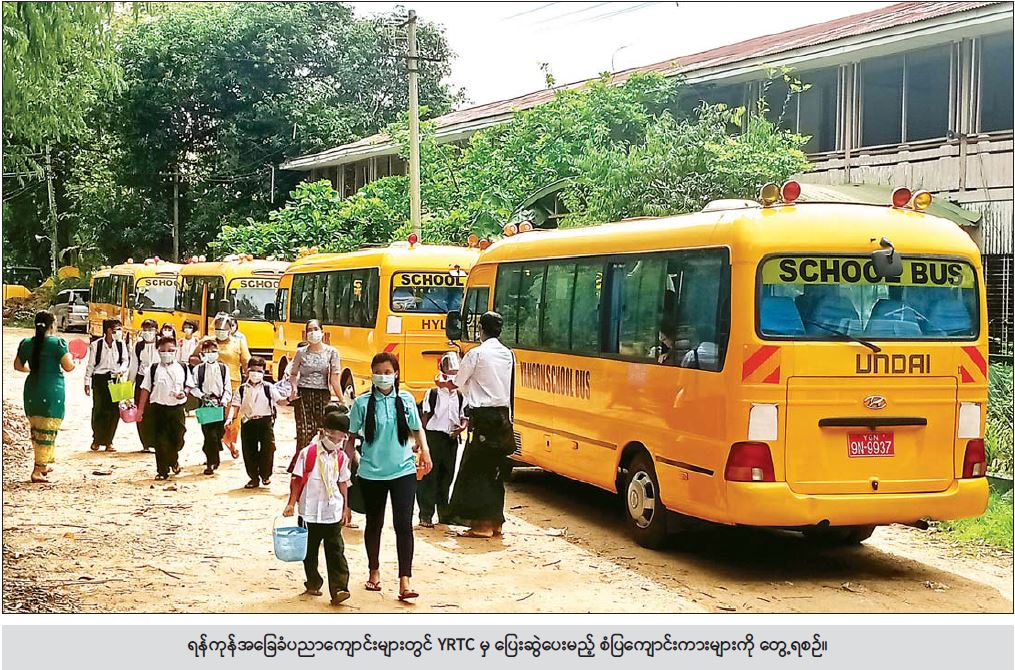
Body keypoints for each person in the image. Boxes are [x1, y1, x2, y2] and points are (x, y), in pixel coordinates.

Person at [348, 352, 432, 602]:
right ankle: (373, 571)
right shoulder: (361, 403)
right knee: (374, 523)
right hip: (371, 473)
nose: (383, 377)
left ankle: (405, 580)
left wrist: (425, 451)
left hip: (403, 471)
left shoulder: (406, 400)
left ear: (396, 374)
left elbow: (417, 429)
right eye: (378, 373)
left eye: (387, 372)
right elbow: (350, 439)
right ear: (372, 374)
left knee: (403, 524)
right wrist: (350, 464)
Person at [446, 311, 515, 539]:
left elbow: (458, 382)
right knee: (495, 470)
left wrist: (466, 390)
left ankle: (481, 525)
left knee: (476, 470)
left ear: (480, 330)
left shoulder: (476, 354)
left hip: (483, 418)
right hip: (503, 418)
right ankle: (496, 522)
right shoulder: (508, 354)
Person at [283, 410, 353, 607]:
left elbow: (343, 483)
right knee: (309, 552)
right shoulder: (308, 453)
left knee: (336, 551)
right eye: (333, 435)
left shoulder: (341, 458)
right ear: (323, 432)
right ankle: (313, 581)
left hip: (332, 512)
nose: (336, 440)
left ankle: (339, 588)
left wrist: (346, 508)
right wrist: (291, 503)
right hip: (309, 512)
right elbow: (297, 480)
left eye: (341, 437)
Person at [14, 311, 75, 483]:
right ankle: (38, 469)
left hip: (33, 388)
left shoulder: (26, 343)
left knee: (37, 429)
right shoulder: (57, 344)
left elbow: (18, 365)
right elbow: (68, 366)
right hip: (51, 389)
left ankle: (43, 463)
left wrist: (33, 370)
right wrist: (73, 359)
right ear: (52, 325)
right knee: (47, 429)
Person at [416, 353, 466, 528]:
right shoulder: (433, 393)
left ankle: (444, 514)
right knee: (429, 477)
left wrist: (461, 428)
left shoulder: (460, 396)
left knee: (447, 477)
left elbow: (464, 416)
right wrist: (420, 442)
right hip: (433, 438)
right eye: (449, 370)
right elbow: (425, 416)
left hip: (450, 439)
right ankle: (426, 514)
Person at [137, 336, 191, 481]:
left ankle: (173, 460)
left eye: (171, 350)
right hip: (158, 409)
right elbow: (145, 389)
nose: (167, 353)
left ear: (176, 350)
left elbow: (189, 385)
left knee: (177, 439)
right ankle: (162, 470)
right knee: (160, 441)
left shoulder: (182, 367)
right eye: (163, 351)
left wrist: (184, 392)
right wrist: (140, 410)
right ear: (158, 351)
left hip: (177, 409)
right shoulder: (153, 368)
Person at [287, 319, 342, 452]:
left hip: (322, 395)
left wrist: (341, 399)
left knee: (324, 432)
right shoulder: (301, 352)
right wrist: (294, 388)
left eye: (315, 329)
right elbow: (293, 374)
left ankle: (321, 461)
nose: (313, 333)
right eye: (309, 330)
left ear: (322, 332)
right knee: (304, 432)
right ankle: (303, 461)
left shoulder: (331, 352)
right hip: (303, 394)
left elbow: (334, 378)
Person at [227, 356, 283, 489]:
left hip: (265, 421)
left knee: (268, 449)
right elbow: (235, 406)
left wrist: (290, 398)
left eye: (259, 371)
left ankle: (265, 475)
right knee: (249, 450)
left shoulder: (268, 387)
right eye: (253, 370)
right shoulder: (242, 389)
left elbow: (280, 401)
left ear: (263, 372)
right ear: (247, 370)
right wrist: (230, 419)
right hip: (248, 422)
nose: (255, 374)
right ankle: (253, 478)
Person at [84, 319, 130, 452]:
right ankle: (97, 439)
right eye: (116, 329)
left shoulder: (121, 344)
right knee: (99, 409)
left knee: (114, 411)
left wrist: (122, 370)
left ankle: (109, 440)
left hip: (116, 378)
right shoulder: (96, 345)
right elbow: (91, 365)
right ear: (109, 330)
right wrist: (87, 381)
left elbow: (125, 361)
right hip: (100, 379)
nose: (119, 332)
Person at [208, 314, 250, 457]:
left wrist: (248, 379)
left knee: (232, 416)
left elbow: (246, 362)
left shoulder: (238, 343)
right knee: (213, 419)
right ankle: (215, 447)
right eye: (218, 329)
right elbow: (194, 357)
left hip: (233, 384)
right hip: (212, 386)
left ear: (230, 329)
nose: (220, 332)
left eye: (223, 329)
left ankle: (232, 443)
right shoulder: (208, 342)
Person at [190, 339, 232, 475]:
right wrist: (202, 396)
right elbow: (193, 387)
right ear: (202, 353)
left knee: (218, 433)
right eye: (207, 352)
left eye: (213, 351)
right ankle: (211, 462)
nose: (210, 354)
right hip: (205, 405)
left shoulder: (223, 368)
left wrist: (224, 400)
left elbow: (227, 388)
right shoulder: (198, 369)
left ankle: (213, 452)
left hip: (219, 405)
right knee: (209, 434)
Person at [129, 318, 161, 452]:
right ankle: (145, 443)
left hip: (158, 380)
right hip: (141, 379)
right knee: (141, 410)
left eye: (151, 330)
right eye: (145, 330)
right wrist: (129, 385)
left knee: (156, 411)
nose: (148, 332)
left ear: (156, 331)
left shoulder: (162, 344)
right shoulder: (138, 346)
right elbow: (133, 366)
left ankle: (157, 441)